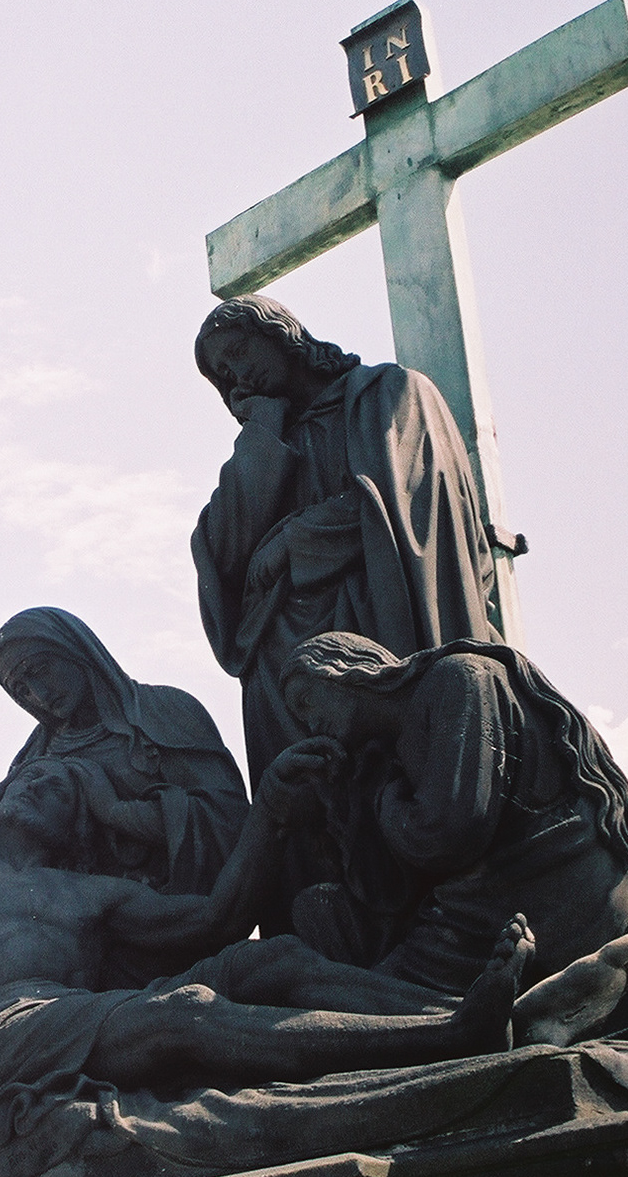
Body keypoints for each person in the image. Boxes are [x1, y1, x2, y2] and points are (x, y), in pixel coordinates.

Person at [0, 755, 628, 1111]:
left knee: (271, 958)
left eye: (58, 786)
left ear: (77, 821)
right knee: (181, 1013)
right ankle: (453, 1035)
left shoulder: (90, 894)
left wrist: (271, 812)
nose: (37, 786)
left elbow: (215, 918)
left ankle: (486, 1017)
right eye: (24, 782)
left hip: (64, 1015)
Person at [192, 295, 500, 800]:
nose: (237, 378)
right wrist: (262, 436)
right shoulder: (264, 439)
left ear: (281, 335)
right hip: (282, 668)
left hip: (377, 621)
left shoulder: (391, 394)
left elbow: (414, 499)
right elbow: (221, 554)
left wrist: (298, 539)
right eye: (223, 375)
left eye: (241, 353)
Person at [270, 633, 628, 1005]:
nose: (309, 724)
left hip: (555, 892)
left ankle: (548, 1001)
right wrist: (339, 796)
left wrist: (389, 799)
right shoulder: (394, 747)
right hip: (509, 894)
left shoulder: (460, 678)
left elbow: (447, 833)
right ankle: (551, 1006)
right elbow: (387, 892)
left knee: (372, 995)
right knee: (329, 927)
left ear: (342, 670)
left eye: (306, 702)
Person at [0, 607, 248, 895]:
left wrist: (115, 812)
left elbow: (228, 819)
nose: (38, 695)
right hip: (79, 926)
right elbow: (13, 843)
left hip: (171, 912)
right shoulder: (36, 756)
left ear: (74, 650)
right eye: (22, 689)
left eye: (40, 669)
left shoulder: (164, 711)